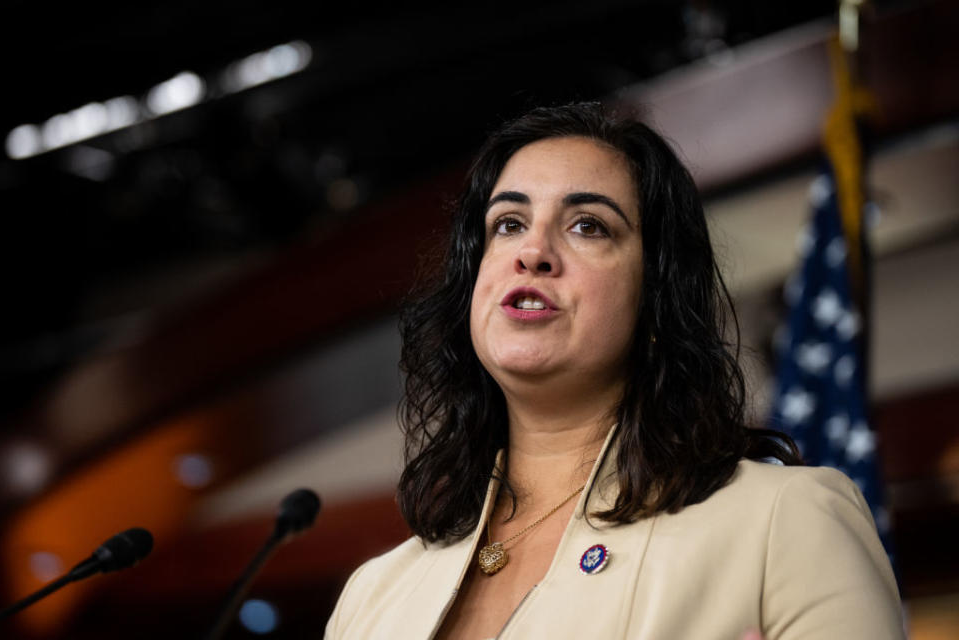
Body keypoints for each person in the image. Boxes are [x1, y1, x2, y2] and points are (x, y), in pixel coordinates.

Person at [323, 103, 903, 639]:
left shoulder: (787, 522)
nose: (533, 251)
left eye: (588, 226)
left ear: (656, 296)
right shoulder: (371, 596)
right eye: (508, 224)